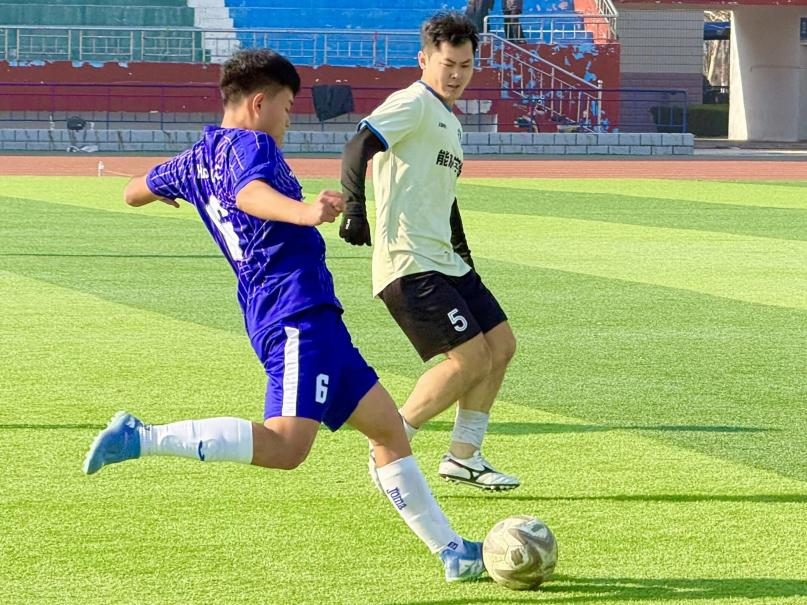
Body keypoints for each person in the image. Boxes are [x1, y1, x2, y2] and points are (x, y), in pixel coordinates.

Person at [81, 48, 484, 583]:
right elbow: (249, 193)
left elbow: (133, 191)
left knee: (388, 429)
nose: (290, 120)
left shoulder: (195, 159)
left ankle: (453, 551)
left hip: (312, 315)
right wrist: (305, 212)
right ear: (258, 103)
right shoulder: (252, 146)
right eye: (288, 107)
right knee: (288, 446)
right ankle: (142, 436)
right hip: (291, 311)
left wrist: (168, 195)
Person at [338, 12, 519, 492]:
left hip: (446, 261)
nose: (456, 74)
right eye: (447, 64)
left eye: (465, 65)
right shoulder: (413, 103)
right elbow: (358, 145)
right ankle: (388, 444)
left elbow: (446, 200)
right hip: (409, 261)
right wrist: (354, 209)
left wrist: (465, 256)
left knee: (501, 345)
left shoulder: (450, 123)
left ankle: (464, 456)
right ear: (424, 60)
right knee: (470, 360)